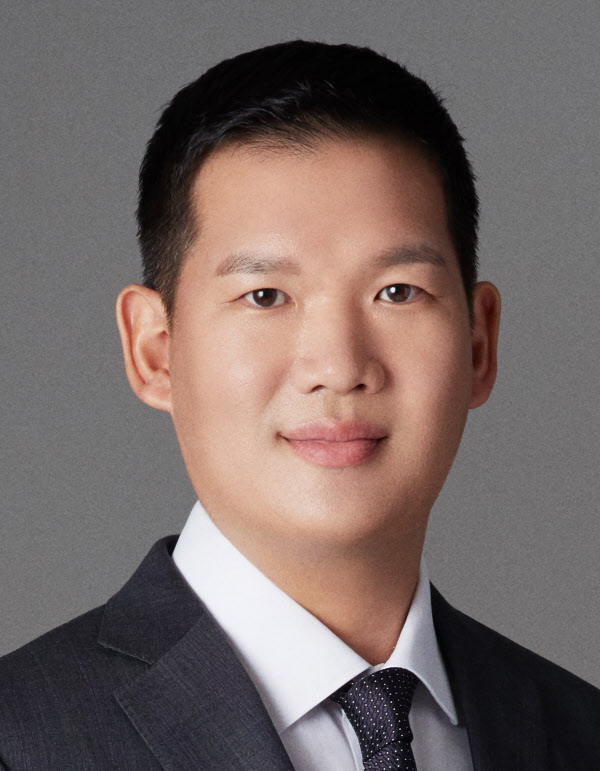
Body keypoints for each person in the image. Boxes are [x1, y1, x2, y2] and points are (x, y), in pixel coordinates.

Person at [0, 39, 598, 771]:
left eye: (397, 292)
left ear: (479, 342)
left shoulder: (578, 730)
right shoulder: (20, 739)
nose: (339, 367)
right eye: (265, 296)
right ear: (155, 350)